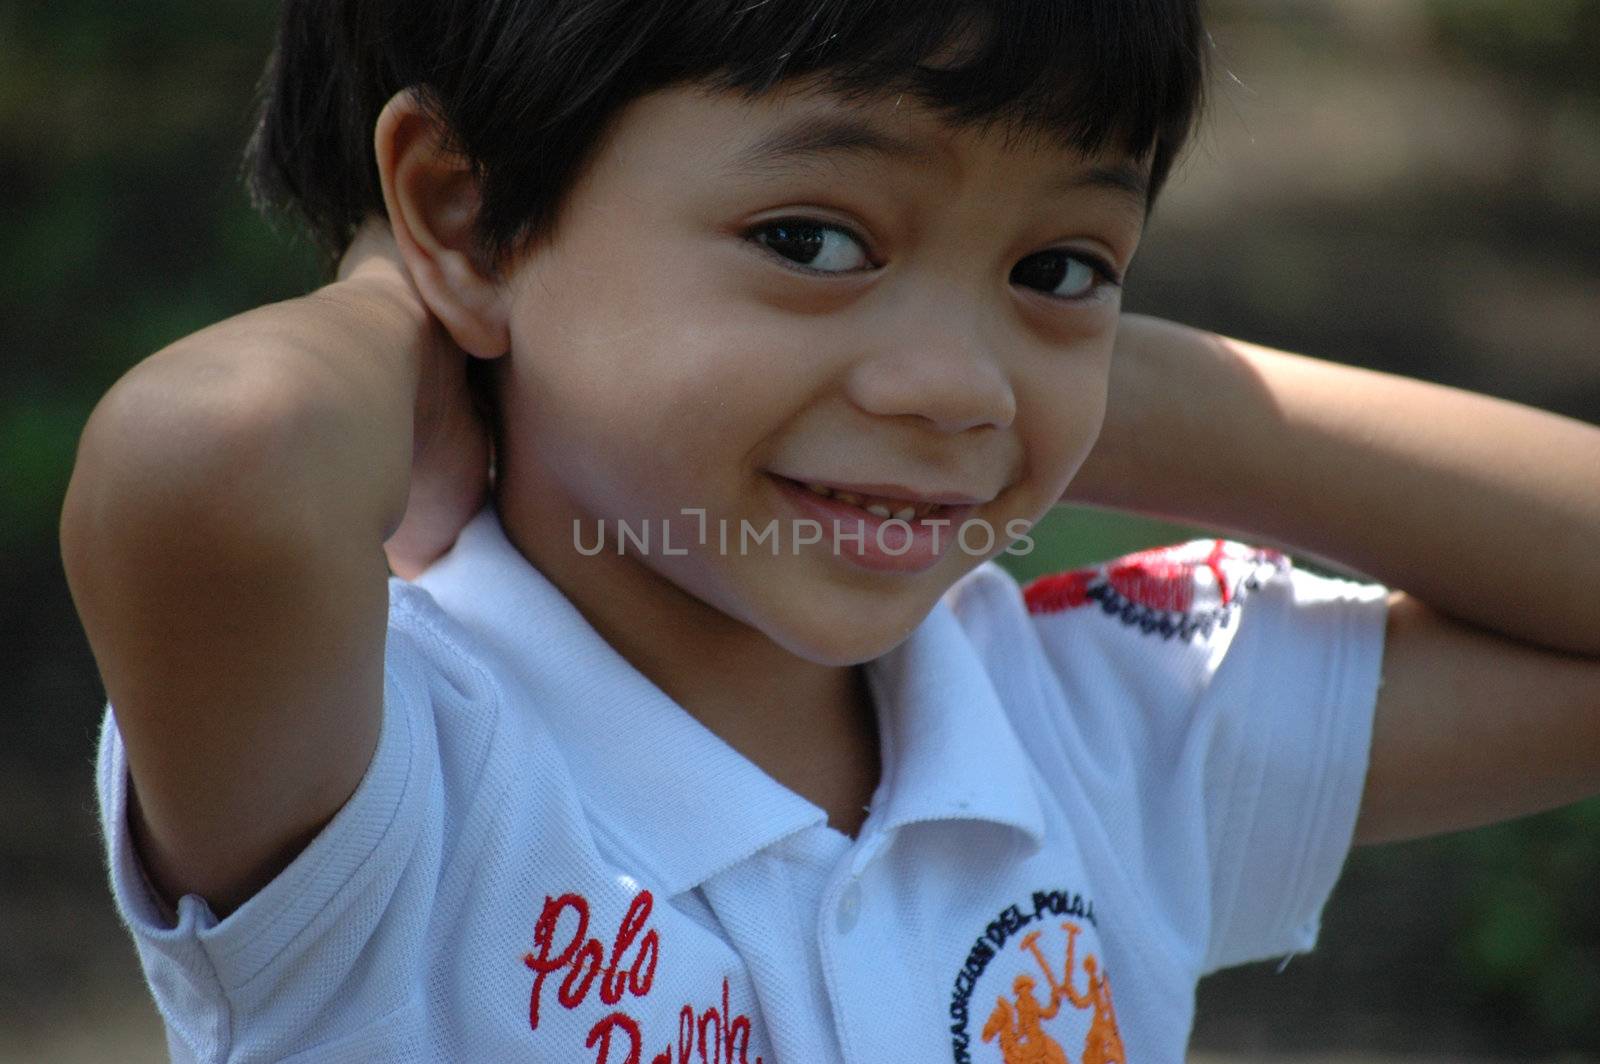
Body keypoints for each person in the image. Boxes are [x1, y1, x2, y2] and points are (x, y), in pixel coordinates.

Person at [58, 1, 1600, 1061]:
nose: (949, 384)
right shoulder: (393, 765)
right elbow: (216, 458)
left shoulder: (1101, 720)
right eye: (812, 239)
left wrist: (1095, 391)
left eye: (1065, 263)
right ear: (462, 209)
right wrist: (414, 302)